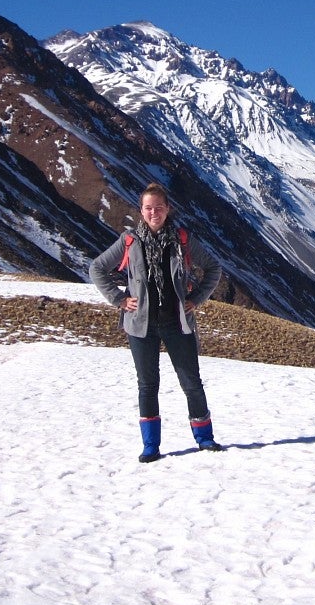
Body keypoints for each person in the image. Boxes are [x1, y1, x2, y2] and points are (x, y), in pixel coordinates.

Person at [90, 183, 224, 461]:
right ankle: (151, 446)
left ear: (167, 210)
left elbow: (213, 268)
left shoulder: (182, 239)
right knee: (148, 385)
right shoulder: (130, 241)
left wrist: (197, 299)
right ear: (141, 211)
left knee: (191, 382)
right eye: (149, 208)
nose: (154, 213)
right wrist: (118, 299)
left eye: (159, 208)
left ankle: (205, 439)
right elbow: (97, 268)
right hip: (140, 325)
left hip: (178, 322)